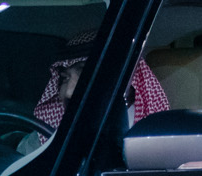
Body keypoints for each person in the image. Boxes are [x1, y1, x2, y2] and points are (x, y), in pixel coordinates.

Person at [31, 30, 168, 132]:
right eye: (65, 78)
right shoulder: (42, 138)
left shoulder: (156, 134)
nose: (69, 92)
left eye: (85, 75)